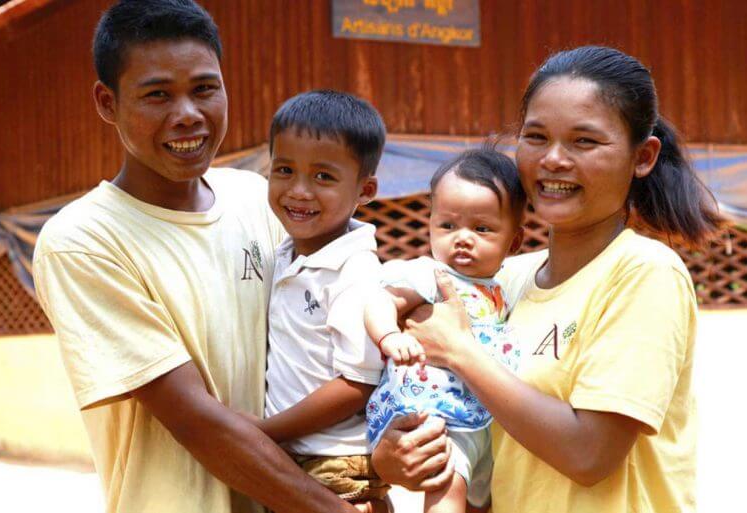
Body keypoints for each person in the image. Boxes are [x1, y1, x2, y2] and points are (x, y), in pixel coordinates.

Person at [32, 2, 370, 512]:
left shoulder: (259, 200)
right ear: (107, 102)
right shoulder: (84, 240)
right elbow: (196, 421)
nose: (187, 113)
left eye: (204, 88)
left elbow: (338, 324)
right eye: (157, 94)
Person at [374, 45, 727, 512]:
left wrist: (461, 353)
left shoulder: (643, 274)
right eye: (536, 137)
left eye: (584, 141)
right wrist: (394, 454)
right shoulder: (505, 278)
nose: (553, 159)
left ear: (642, 157)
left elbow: (589, 454)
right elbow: (475, 433)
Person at [244, 90, 390, 509]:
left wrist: (266, 432)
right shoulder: (283, 254)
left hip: (334, 464)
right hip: (297, 452)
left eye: (323, 177)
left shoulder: (353, 271)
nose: (299, 191)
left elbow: (356, 384)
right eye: (284, 170)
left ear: (365, 189)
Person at [363, 144, 525, 513]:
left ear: (513, 241)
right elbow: (381, 302)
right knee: (447, 483)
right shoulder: (429, 274)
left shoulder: (503, 289)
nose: (462, 237)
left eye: (482, 228)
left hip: (482, 421)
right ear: (431, 225)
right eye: (448, 225)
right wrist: (389, 335)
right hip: (437, 413)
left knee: (482, 498)